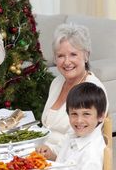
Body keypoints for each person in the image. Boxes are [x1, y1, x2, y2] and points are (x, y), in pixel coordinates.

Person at [36, 23, 108, 159]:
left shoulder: (93, 90)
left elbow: (80, 140)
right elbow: (47, 127)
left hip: (67, 160)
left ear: (86, 56)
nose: (66, 62)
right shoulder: (57, 82)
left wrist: (50, 154)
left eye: (73, 54)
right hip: (41, 152)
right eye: (61, 56)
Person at [51, 82, 107, 170]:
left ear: (101, 116)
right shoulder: (72, 135)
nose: (79, 120)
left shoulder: (92, 153)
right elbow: (58, 162)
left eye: (86, 114)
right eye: (74, 114)